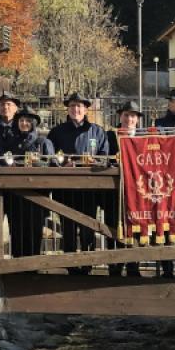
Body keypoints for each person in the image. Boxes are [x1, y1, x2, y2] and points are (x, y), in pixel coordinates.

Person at [47, 93, 111, 275]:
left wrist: (94, 162)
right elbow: (50, 156)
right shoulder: (57, 131)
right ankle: (70, 264)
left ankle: (88, 263)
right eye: (73, 106)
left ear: (86, 109)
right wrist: (62, 164)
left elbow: (105, 157)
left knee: (88, 227)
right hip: (66, 190)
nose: (76, 109)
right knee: (67, 228)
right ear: (68, 108)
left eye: (80, 106)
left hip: (89, 190)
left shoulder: (97, 131)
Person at [0, 105, 55, 263]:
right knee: (16, 234)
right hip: (14, 197)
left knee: (34, 234)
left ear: (33, 123)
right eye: (21, 120)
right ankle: (18, 268)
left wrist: (38, 165)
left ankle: (33, 267)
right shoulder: (10, 142)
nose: (24, 123)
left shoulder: (43, 142)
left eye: (27, 121)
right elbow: (2, 163)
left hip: (37, 196)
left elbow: (52, 165)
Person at [104, 103, 145, 277]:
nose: (129, 119)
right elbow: (105, 157)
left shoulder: (144, 137)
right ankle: (114, 265)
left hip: (138, 191)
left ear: (137, 119)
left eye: (133, 116)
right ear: (120, 117)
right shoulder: (110, 136)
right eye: (126, 115)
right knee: (112, 226)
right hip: (114, 190)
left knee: (136, 226)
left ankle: (133, 264)